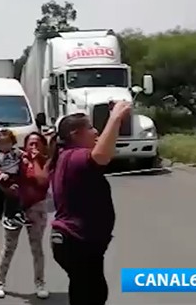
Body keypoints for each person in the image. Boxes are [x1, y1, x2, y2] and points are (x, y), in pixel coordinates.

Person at [49, 101, 132, 305]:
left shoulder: (65, 156)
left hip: (75, 243)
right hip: (77, 242)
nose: (96, 132)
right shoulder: (74, 157)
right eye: (90, 127)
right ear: (76, 134)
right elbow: (102, 156)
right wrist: (115, 118)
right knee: (92, 295)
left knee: (84, 292)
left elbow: (104, 150)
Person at [0, 132, 51, 299]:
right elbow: (1, 178)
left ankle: (40, 283)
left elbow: (42, 181)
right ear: (24, 146)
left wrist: (35, 160)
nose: (33, 147)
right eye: (30, 144)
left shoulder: (46, 162)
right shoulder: (15, 159)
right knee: (9, 248)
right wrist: (6, 187)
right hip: (14, 207)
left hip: (36, 209)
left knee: (37, 248)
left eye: (37, 144)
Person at [0, 129, 31, 230]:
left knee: (20, 194)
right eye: (2, 144)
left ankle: (18, 214)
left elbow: (24, 154)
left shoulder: (15, 151)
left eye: (8, 143)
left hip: (16, 176)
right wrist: (1, 175)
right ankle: (8, 216)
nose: (6, 146)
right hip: (6, 178)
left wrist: (25, 158)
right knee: (11, 196)